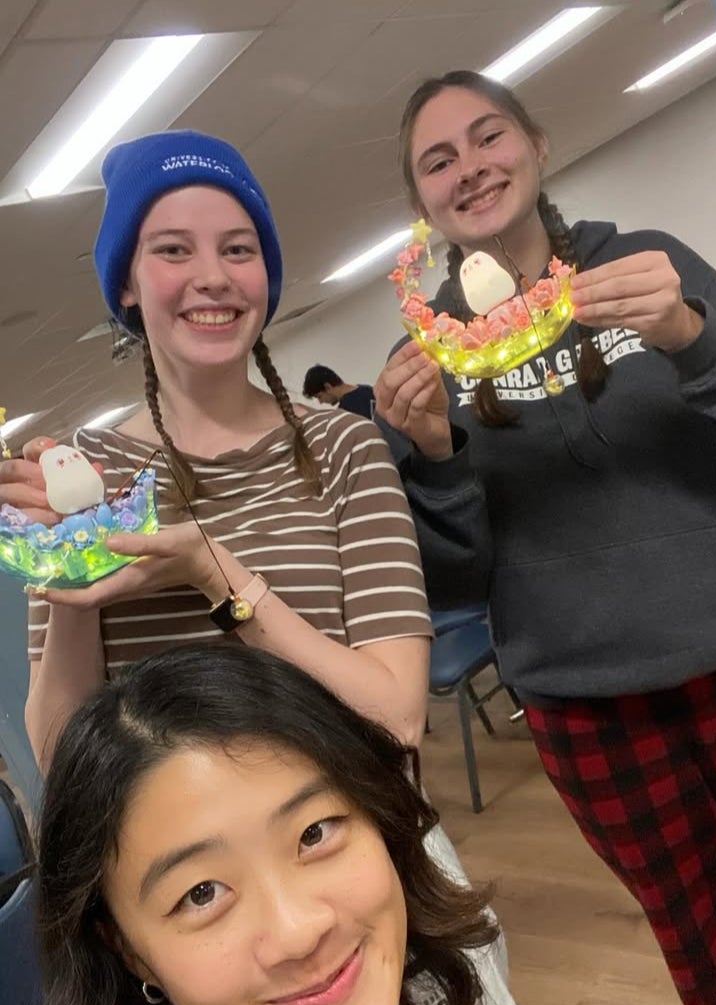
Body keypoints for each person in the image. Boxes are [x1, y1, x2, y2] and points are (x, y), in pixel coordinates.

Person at [374, 70, 716, 1005]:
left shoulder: (651, 266)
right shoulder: (425, 361)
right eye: (437, 159)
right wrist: (436, 459)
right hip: (589, 703)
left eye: (487, 137)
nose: (469, 167)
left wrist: (693, 337)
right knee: (708, 950)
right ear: (423, 202)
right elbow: (452, 578)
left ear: (535, 143)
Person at [0, 130, 431, 768]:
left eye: (238, 249)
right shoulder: (93, 472)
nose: (212, 277)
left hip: (344, 831)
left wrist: (213, 571)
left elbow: (397, 719)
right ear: (127, 285)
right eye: (173, 250)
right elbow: (60, 752)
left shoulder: (344, 445)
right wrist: (70, 566)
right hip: (173, 856)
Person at [34, 642, 548, 1005]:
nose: (299, 932)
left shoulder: (454, 974)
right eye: (202, 893)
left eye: (313, 833)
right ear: (129, 951)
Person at [303, 364, 376, 419]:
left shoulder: (344, 412)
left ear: (327, 387)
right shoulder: (369, 390)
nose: (321, 402)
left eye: (319, 396)